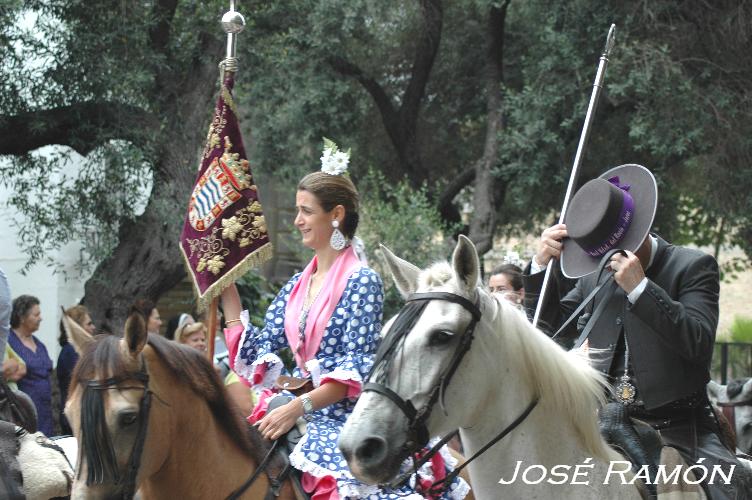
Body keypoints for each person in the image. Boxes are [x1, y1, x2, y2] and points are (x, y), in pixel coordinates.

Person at [222, 141, 469, 499]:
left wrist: (297, 407)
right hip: (298, 406)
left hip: (346, 417)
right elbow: (258, 352)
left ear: (335, 214)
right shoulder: (296, 284)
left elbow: (356, 370)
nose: (297, 221)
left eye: (306, 211)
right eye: (297, 210)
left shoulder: (362, 280)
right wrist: (226, 287)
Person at [524, 164, 751, 499]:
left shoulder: (692, 266)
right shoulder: (593, 275)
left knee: (727, 489)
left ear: (641, 229)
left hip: (678, 428)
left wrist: (642, 289)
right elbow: (549, 329)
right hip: (597, 423)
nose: (608, 260)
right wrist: (540, 268)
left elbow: (698, 342)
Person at [8, 295, 54, 436]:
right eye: (36, 314)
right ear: (22, 317)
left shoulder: (39, 344)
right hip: (22, 413)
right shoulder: (8, 342)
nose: (40, 318)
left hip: (45, 412)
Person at [57, 304, 95, 435]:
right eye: (89, 324)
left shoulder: (80, 351)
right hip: (75, 419)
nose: (93, 328)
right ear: (77, 328)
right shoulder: (70, 352)